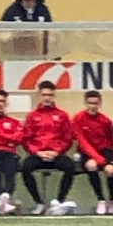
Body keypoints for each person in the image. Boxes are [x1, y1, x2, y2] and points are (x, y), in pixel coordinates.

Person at [21, 81, 76, 215]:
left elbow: (67, 138)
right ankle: (39, 202)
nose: (47, 98)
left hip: (56, 154)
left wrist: (57, 152)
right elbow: (26, 139)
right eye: (44, 95)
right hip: (38, 154)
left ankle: (59, 202)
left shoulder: (62, 115)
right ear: (39, 96)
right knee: (25, 167)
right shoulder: (32, 116)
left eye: (50, 95)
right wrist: (37, 152)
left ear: (54, 96)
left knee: (70, 167)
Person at [73, 90, 113, 215]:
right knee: (91, 165)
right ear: (85, 103)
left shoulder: (106, 121)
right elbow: (83, 142)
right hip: (86, 153)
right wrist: (98, 159)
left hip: (104, 151)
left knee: (111, 170)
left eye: (95, 103)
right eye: (90, 103)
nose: (92, 106)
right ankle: (101, 200)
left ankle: (112, 200)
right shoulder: (78, 118)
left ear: (100, 104)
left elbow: (110, 142)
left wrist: (110, 160)